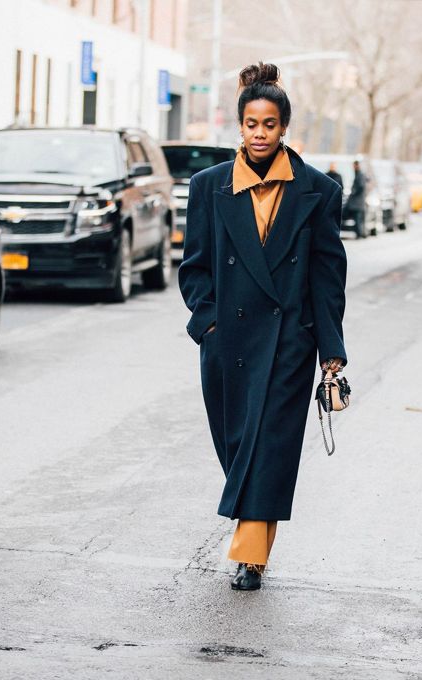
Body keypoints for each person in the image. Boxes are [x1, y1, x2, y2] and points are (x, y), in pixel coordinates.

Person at [178, 62, 348, 592]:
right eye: (251, 124)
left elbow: (326, 276)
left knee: (268, 448)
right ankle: (253, 536)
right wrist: (206, 324)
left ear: (283, 128)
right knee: (239, 447)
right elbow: (195, 266)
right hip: (226, 342)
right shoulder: (209, 187)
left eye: (269, 125)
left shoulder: (317, 191)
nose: (259, 134)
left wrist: (330, 350)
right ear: (240, 125)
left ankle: (249, 555)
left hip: (288, 343)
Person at [346, 159, 368, 238]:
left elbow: (361, 186)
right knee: (358, 219)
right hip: (358, 202)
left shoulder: (359, 174)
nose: (353, 167)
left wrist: (354, 192)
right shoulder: (358, 174)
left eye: (354, 165)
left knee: (358, 218)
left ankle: (360, 234)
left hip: (357, 202)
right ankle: (361, 233)